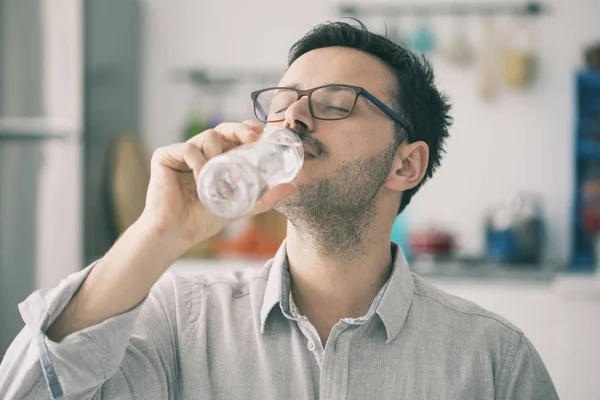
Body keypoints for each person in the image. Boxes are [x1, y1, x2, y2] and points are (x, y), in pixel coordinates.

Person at [0, 21, 558, 399]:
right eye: (283, 101)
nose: (293, 119)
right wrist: (159, 233)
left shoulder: (492, 360)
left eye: (336, 104)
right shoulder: (179, 322)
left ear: (405, 166)